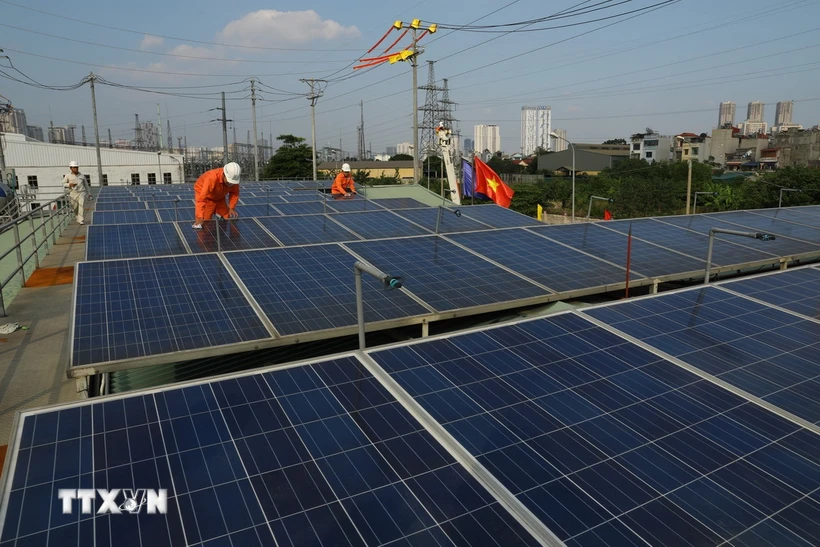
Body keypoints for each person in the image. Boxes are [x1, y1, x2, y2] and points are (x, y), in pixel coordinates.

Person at [192, 162, 241, 229]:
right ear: (224, 174)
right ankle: (205, 237)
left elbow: (235, 193)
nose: (230, 184)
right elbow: (202, 199)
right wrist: (199, 217)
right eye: (229, 182)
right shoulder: (211, 179)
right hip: (207, 197)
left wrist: (231, 207)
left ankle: (222, 236)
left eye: (232, 183)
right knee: (205, 221)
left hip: (220, 197)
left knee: (226, 217)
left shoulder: (233, 180)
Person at [63, 160, 88, 225]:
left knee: (81, 205)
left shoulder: (82, 176)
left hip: (81, 193)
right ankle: (77, 217)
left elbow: (86, 185)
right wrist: (69, 185)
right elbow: (63, 183)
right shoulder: (67, 176)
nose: (76, 168)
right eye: (74, 167)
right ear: (71, 168)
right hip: (73, 193)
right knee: (75, 207)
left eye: (77, 167)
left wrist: (89, 193)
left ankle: (81, 219)